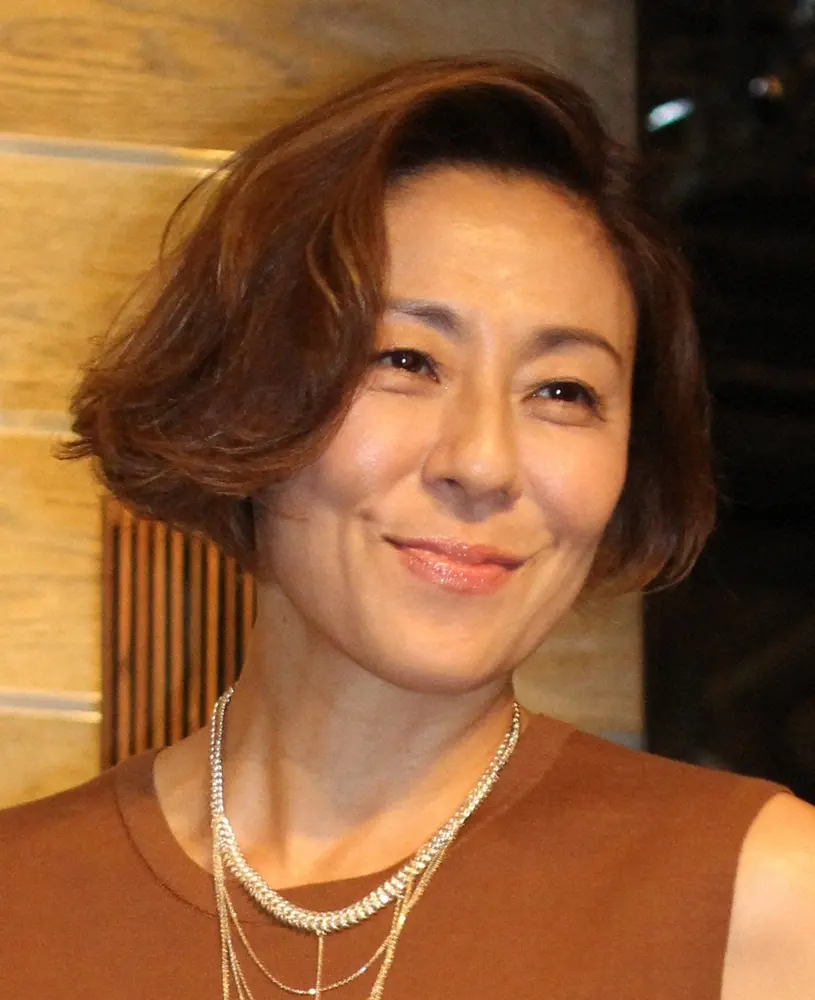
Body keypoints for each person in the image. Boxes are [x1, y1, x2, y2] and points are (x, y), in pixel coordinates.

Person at [1, 56, 813, 1000]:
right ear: (249, 389)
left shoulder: (763, 902)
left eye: (562, 391)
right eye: (406, 361)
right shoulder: (25, 901)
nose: (483, 462)